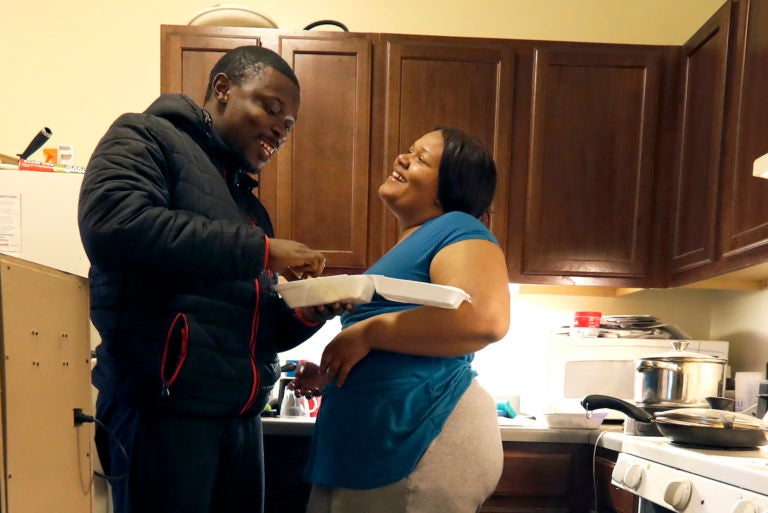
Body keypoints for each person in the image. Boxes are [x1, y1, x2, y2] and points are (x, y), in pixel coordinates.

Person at [78, 45, 346, 513]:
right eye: (271, 108)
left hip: (239, 420)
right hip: (163, 414)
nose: (280, 130)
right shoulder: (144, 136)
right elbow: (115, 226)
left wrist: (307, 313)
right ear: (222, 89)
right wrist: (262, 250)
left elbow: (248, 329)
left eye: (288, 126)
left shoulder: (246, 202)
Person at [290, 126, 512, 513]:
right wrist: (335, 373)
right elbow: (411, 339)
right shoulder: (415, 242)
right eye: (409, 150)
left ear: (450, 186)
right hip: (377, 447)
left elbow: (485, 321)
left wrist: (368, 333)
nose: (402, 158)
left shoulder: (458, 227)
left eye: (421, 158)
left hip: (422, 439)